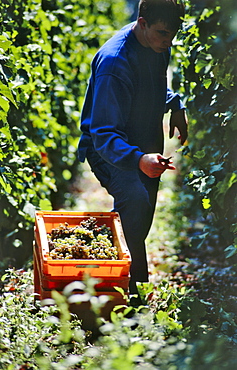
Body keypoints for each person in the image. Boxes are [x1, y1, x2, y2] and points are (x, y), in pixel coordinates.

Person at [78, 0, 188, 302]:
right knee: (136, 202)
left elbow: (150, 85)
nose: (169, 41)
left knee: (139, 218)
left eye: (173, 34)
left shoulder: (157, 44)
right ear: (141, 23)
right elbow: (102, 132)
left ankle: (101, 267)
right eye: (163, 33)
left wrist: (175, 103)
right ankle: (133, 297)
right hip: (108, 148)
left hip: (145, 140)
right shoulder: (114, 63)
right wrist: (137, 159)